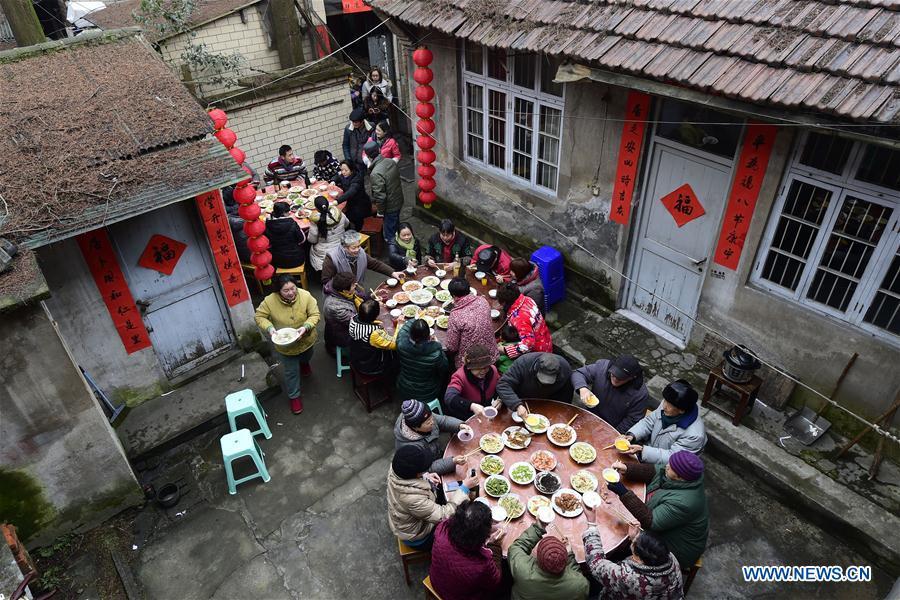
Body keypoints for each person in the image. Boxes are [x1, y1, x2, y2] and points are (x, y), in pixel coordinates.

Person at [605, 450, 709, 571]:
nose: (666, 466)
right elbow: (655, 471)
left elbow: (651, 522)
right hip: (664, 528)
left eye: (670, 467)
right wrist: (626, 468)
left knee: (618, 537)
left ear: (680, 477)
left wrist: (623, 492)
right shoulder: (682, 476)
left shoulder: (685, 502)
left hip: (673, 548)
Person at [387, 445, 476, 548]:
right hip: (418, 535)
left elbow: (410, 480)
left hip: (409, 518)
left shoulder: (397, 469)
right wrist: (464, 488)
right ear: (416, 474)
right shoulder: (413, 499)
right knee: (465, 528)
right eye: (423, 470)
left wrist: (425, 477)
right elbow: (443, 515)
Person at [254, 275, 319, 415]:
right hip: (285, 345)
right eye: (286, 290)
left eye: (293, 288)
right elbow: (259, 316)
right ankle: (294, 397)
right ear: (278, 291)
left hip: (306, 339)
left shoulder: (305, 296)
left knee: (307, 355)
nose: (291, 293)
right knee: (291, 372)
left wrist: (306, 326)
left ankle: (304, 363)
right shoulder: (269, 301)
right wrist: (270, 328)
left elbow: (314, 314)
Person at [582, 523, 683, 600]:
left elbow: (595, 563)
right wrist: (636, 538)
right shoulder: (670, 558)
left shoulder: (630, 578)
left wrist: (592, 526)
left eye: (635, 543)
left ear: (639, 559)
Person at [430, 500, 505, 600]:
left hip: (436, 580)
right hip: (457, 596)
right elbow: (495, 581)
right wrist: (494, 545)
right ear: (482, 536)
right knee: (503, 586)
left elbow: (451, 520)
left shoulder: (441, 530)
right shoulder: (483, 564)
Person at [624, 379, 707, 464]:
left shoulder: (694, 436)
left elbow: (673, 458)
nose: (663, 406)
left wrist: (643, 451)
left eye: (669, 405)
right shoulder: (668, 404)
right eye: (665, 400)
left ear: (681, 410)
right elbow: (649, 421)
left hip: (665, 469)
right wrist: (632, 435)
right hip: (648, 452)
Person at [508, 522, 590, 600]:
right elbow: (576, 575)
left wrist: (537, 529)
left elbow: (516, 548)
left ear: (538, 557)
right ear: (565, 560)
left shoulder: (522, 570)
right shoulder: (580, 585)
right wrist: (569, 554)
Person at [571, 355, 648, 433]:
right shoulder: (602, 367)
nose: (615, 379)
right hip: (588, 414)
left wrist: (613, 433)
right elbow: (578, 373)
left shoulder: (640, 394)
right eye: (614, 374)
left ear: (632, 377)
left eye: (620, 378)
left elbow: (632, 419)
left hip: (611, 427)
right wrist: (583, 388)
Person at [394, 399, 473, 475]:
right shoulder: (411, 449)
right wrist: (452, 462)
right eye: (428, 422)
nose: (432, 422)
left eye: (431, 417)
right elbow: (426, 469)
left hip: (437, 454)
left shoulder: (425, 416)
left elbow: (443, 421)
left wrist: (459, 425)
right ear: (415, 427)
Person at [497, 352, 573, 419]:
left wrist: (561, 414)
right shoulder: (523, 362)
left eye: (549, 380)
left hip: (547, 403)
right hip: (521, 400)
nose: (544, 383)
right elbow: (503, 384)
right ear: (536, 368)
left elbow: (566, 396)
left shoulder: (565, 369)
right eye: (542, 378)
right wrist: (517, 405)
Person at [445, 277, 497, 369]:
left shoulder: (455, 315)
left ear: (453, 296)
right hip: (491, 353)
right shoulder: (483, 301)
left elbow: (452, 347)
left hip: (471, 362)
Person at [321, 230, 403, 287]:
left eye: (358, 246)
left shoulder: (361, 252)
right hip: (340, 295)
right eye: (353, 248)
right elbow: (326, 281)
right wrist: (345, 286)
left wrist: (392, 273)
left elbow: (375, 264)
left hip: (356, 290)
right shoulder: (331, 259)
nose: (357, 250)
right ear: (344, 247)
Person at [364, 141, 404, 254]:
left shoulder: (375, 173)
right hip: (398, 200)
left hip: (389, 207)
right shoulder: (390, 162)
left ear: (367, 156)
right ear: (379, 150)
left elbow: (380, 196)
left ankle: (395, 255)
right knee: (396, 226)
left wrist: (380, 212)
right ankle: (401, 246)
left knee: (389, 234)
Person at [396, 318, 449, 402]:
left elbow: (403, 330)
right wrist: (437, 344)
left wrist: (415, 319)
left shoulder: (401, 344)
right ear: (429, 336)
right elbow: (444, 368)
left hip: (405, 388)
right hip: (428, 392)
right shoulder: (436, 353)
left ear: (410, 334)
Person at [496, 282, 552, 359]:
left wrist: (504, 350)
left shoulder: (519, 318)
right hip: (545, 339)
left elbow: (528, 344)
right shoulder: (527, 299)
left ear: (504, 302)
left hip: (538, 352)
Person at [444, 345, 500, 420]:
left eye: (486, 367)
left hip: (488, 411)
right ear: (469, 367)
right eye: (478, 368)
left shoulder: (493, 370)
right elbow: (449, 397)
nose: (483, 371)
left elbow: (501, 386)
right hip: (469, 415)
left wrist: (500, 399)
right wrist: (471, 406)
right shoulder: (460, 376)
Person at [348, 300, 399, 376]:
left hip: (357, 357)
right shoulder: (373, 333)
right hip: (371, 366)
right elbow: (394, 344)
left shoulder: (354, 318)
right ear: (376, 314)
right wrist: (399, 325)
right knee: (397, 356)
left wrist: (376, 323)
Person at [322, 271, 364, 354]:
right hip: (343, 334)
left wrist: (372, 297)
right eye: (353, 285)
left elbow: (360, 295)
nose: (355, 285)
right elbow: (356, 322)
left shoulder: (342, 290)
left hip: (345, 324)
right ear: (345, 291)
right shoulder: (335, 307)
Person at [307, 195, 349, 272]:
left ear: (316, 209)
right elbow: (347, 224)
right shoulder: (339, 214)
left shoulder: (315, 221)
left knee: (309, 247)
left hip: (324, 253)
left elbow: (312, 240)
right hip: (341, 246)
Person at [332, 160, 371, 232]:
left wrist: (337, 201)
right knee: (345, 215)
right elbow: (337, 176)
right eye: (342, 170)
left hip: (360, 203)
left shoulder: (357, 179)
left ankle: (358, 231)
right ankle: (348, 228)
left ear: (352, 170)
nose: (343, 172)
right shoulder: (344, 174)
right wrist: (333, 181)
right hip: (350, 202)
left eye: (346, 170)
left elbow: (350, 192)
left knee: (354, 218)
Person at [264, 202, 306, 268]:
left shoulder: (267, 223)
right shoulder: (292, 224)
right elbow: (302, 240)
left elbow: (268, 242)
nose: (289, 213)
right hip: (296, 259)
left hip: (277, 261)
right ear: (283, 213)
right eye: (288, 211)